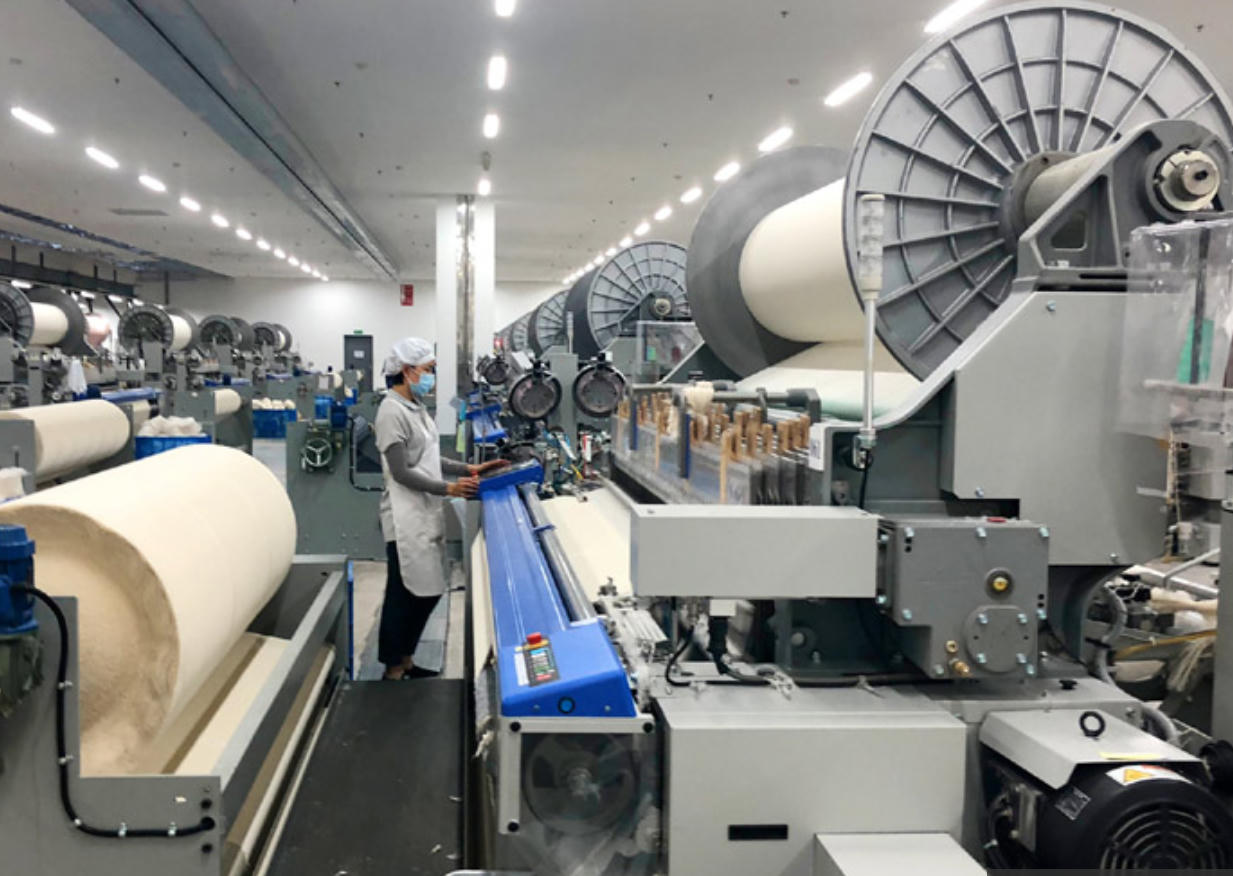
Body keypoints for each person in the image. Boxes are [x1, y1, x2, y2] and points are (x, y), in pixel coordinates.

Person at [374, 337, 507, 680]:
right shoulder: (390, 412)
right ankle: (392, 669)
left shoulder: (415, 407)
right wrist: (450, 488)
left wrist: (468, 469)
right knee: (403, 594)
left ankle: (407, 659)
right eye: (428, 369)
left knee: (427, 591)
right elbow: (401, 472)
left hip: (424, 510)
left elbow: (430, 457)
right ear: (407, 371)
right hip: (404, 517)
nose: (432, 376)